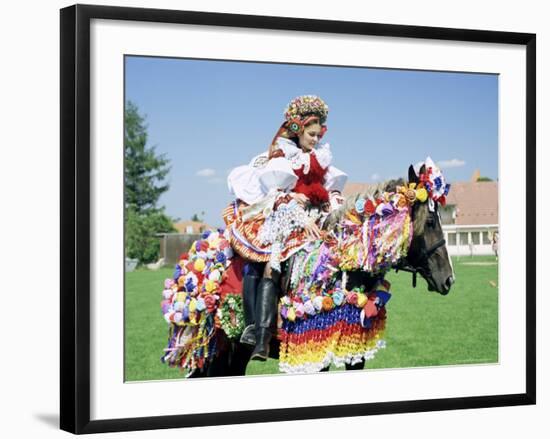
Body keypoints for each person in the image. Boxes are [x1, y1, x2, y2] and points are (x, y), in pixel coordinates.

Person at [223, 95, 348, 361]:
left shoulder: (321, 157)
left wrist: (336, 208)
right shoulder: (281, 156)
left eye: (318, 134)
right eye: (311, 134)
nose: (315, 139)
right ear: (298, 130)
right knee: (269, 263)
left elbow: (331, 190)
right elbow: (276, 193)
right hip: (282, 217)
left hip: (314, 218)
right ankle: (259, 333)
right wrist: (296, 205)